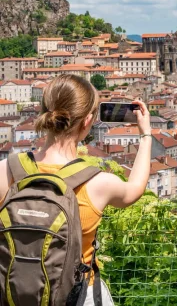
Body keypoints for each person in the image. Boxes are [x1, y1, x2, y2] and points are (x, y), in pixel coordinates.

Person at [0, 74, 152, 306]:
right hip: (79, 295)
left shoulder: (7, 169)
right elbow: (135, 189)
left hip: (12, 293)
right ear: (88, 121)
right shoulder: (98, 182)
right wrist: (146, 135)